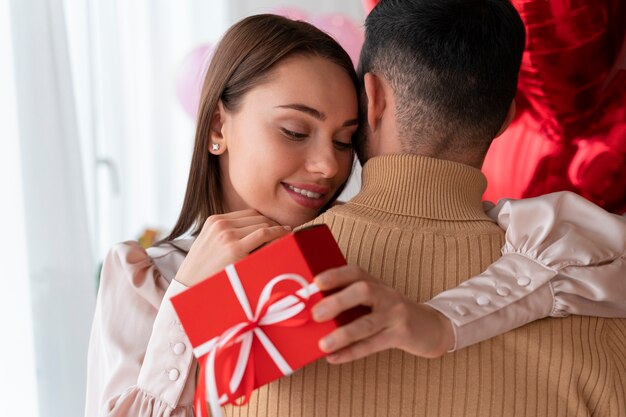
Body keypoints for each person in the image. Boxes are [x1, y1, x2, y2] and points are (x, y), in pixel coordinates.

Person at [85, 10, 626, 417]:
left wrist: (443, 320)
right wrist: (186, 304)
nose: (324, 166)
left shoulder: (547, 249)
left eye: (346, 141)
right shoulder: (149, 276)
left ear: (371, 105)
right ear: (217, 126)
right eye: (295, 131)